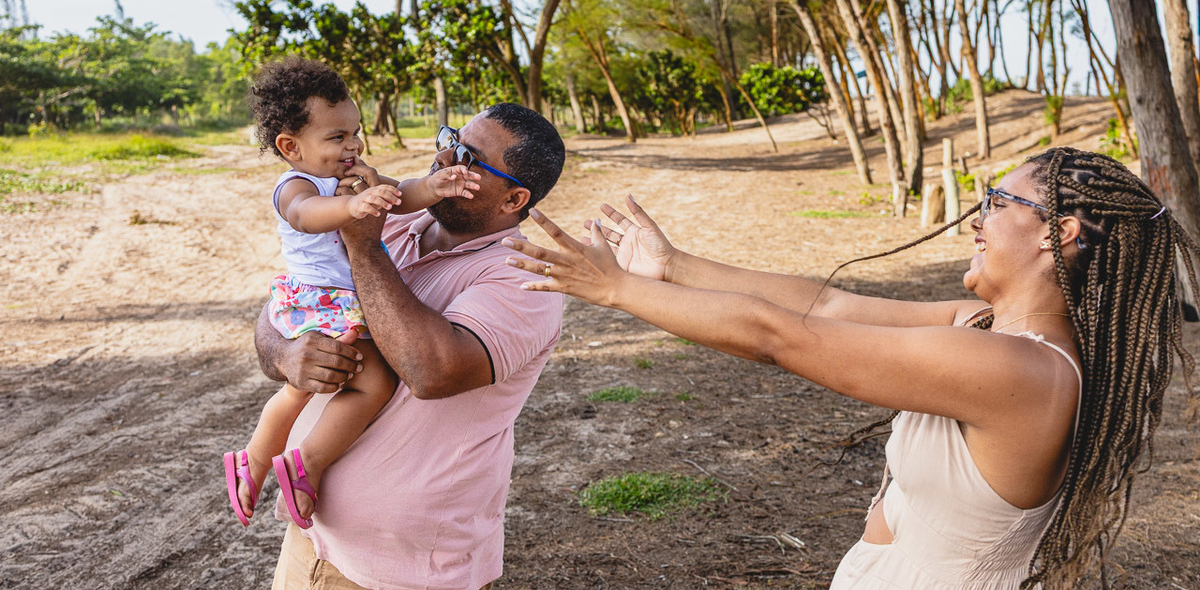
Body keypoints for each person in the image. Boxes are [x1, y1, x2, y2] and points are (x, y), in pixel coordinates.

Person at [503, 147, 1198, 588]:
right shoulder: (984, 330)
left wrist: (620, 291)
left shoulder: (1022, 372)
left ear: (1059, 232)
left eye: (995, 202)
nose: (974, 220)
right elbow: (829, 305)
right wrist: (673, 268)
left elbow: (783, 338)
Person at [255, 101, 566, 590]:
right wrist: (286, 353)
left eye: (467, 158)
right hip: (311, 541)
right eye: (449, 140)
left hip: (409, 571)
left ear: (513, 200)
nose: (444, 159)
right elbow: (289, 302)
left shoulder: (522, 279)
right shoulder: (393, 222)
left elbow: (430, 372)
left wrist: (363, 245)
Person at [224, 57, 481, 531]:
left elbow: (399, 195)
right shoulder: (295, 186)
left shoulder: (355, 173)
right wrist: (353, 204)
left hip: (344, 299)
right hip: (319, 299)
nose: (354, 144)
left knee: (302, 389)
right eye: (337, 137)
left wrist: (432, 185)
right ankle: (305, 464)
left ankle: (254, 463)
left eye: (356, 131)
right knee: (371, 384)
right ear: (290, 146)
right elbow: (307, 214)